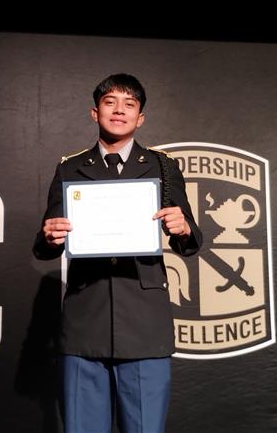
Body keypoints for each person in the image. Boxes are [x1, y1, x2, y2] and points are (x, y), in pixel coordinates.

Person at [33, 73, 202, 433]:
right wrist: (49, 236)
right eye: (110, 102)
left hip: (144, 323)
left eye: (130, 105)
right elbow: (45, 244)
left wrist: (184, 227)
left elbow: (189, 242)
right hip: (84, 321)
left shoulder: (163, 166)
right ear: (95, 113)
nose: (119, 111)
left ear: (140, 118)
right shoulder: (69, 167)